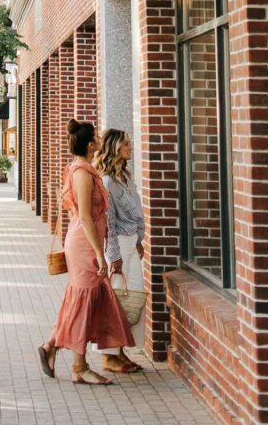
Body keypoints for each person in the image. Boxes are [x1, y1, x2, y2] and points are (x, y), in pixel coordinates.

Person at [37, 119, 134, 385]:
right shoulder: (81, 173)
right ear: (91, 145)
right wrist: (99, 253)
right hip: (84, 244)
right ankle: (78, 367)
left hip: (87, 241)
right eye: (97, 137)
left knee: (83, 300)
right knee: (83, 300)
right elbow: (85, 217)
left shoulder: (87, 169)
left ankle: (51, 346)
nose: (101, 140)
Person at [94, 128, 145, 374]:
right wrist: (113, 256)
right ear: (114, 148)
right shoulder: (107, 182)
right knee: (115, 300)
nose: (129, 147)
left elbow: (136, 211)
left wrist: (139, 240)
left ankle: (120, 350)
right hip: (119, 247)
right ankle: (109, 356)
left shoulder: (125, 175)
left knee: (131, 298)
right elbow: (109, 224)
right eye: (125, 143)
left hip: (132, 244)